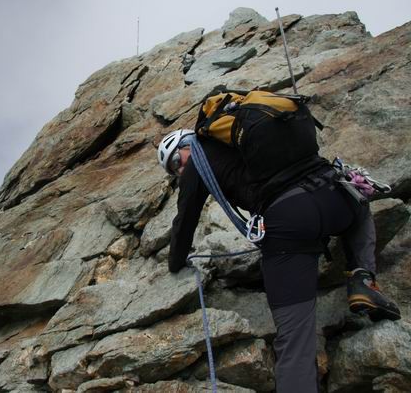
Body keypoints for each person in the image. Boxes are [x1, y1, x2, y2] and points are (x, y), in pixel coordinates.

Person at [158, 128, 401, 392]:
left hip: (289, 225)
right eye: (173, 170)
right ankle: (363, 278)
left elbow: (185, 222)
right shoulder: (252, 136)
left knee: (295, 340)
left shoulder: (199, 158)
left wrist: (175, 262)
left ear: (188, 143)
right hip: (335, 194)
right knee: (359, 204)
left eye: (175, 161)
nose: (180, 171)